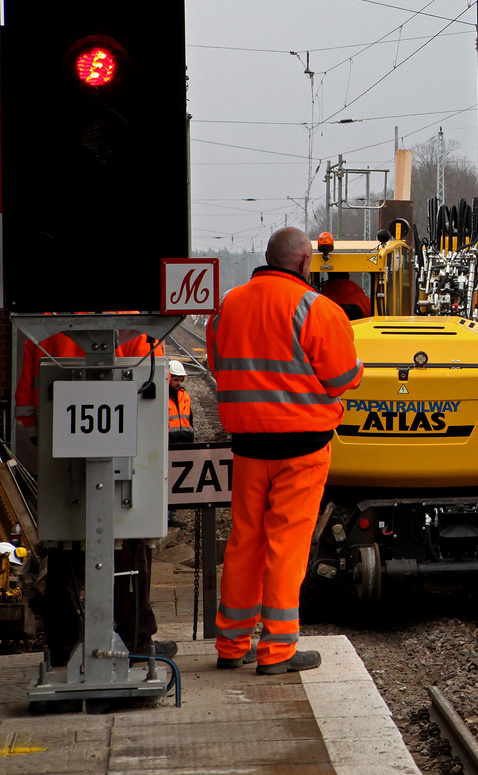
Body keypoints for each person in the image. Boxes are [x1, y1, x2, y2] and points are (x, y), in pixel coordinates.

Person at [208, 227, 364, 675]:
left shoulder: (229, 305)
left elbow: (219, 365)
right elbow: (341, 379)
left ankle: (231, 643)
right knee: (287, 546)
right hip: (301, 448)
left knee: (244, 542)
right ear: (303, 263)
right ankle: (277, 650)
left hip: (248, 448)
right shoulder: (317, 309)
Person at [14, 326, 173, 663]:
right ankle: (137, 644)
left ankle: (63, 647)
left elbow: (26, 403)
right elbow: (151, 395)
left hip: (60, 453)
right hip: (125, 453)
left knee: (63, 545)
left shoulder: (41, 327)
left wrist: (42, 442)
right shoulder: (138, 328)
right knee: (130, 546)